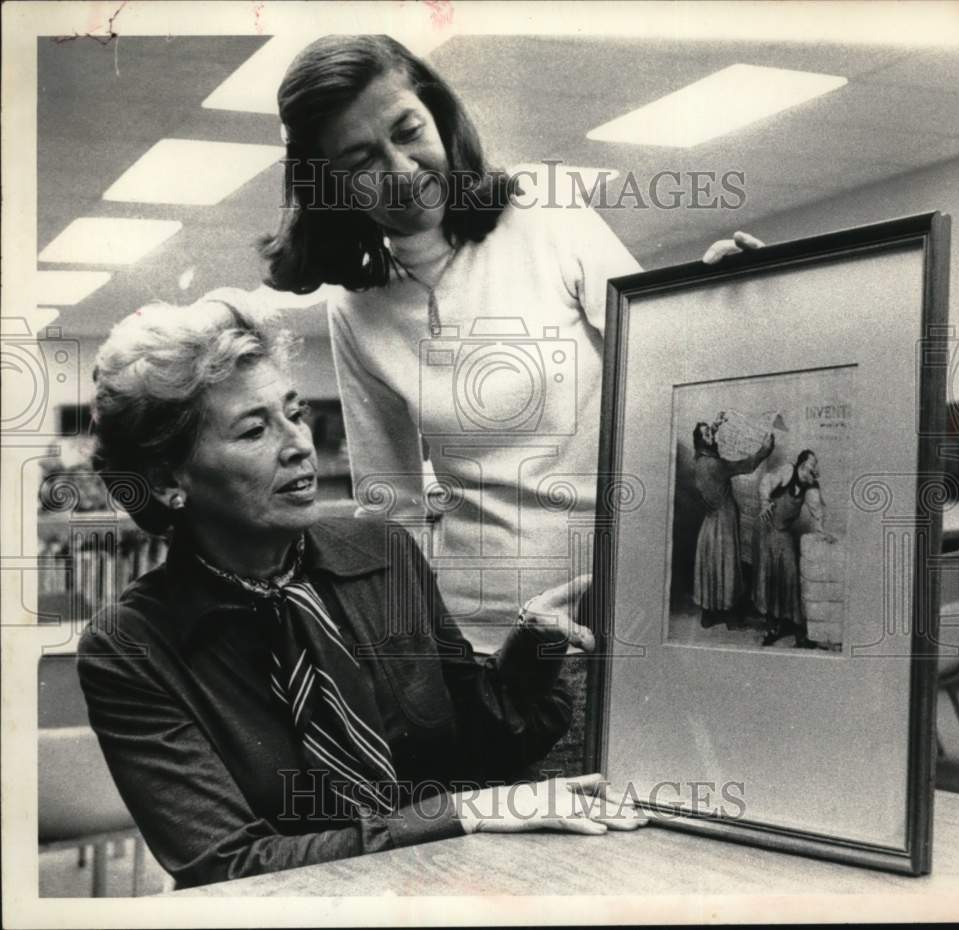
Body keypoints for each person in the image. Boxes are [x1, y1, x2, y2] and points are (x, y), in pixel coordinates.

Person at [76, 295, 647, 890]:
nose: (299, 444)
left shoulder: (381, 552)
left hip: (442, 892)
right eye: (253, 429)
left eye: (293, 413)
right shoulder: (129, 647)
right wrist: (463, 812)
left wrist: (534, 647)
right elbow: (229, 866)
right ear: (169, 480)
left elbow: (479, 748)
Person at [258, 34, 761, 651]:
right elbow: (393, 508)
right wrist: (417, 652)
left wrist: (724, 302)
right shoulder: (355, 307)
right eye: (361, 161)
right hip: (484, 632)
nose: (401, 171)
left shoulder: (541, 212)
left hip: (627, 598)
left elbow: (670, 361)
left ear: (438, 115)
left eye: (408, 130)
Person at [691, 414, 774, 629]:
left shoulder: (699, 460)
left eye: (710, 431)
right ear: (702, 440)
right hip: (723, 521)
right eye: (707, 433)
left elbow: (711, 443)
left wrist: (715, 426)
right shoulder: (715, 465)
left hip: (709, 523)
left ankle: (709, 614)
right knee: (728, 565)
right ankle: (731, 616)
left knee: (711, 565)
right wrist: (765, 449)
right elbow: (745, 466)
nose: (711, 435)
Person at [753, 449, 831, 648]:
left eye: (812, 470)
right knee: (768, 577)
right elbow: (767, 482)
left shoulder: (810, 487)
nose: (808, 473)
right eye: (806, 467)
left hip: (783, 532)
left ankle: (798, 632)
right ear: (800, 464)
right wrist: (764, 502)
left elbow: (817, 513)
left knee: (790, 575)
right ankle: (773, 627)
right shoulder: (787, 472)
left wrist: (822, 532)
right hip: (766, 529)